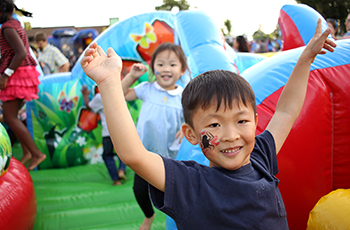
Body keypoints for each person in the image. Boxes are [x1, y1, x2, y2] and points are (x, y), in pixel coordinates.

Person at [81, 19, 336, 229]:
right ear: (190, 134)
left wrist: (306, 59)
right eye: (214, 125)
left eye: (242, 121)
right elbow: (133, 154)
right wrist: (109, 83)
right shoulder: (190, 184)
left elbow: (286, 112)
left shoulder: (260, 156)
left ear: (256, 122)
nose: (230, 135)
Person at [121, 42, 188, 230]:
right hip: (144, 153)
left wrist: (186, 127)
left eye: (172, 64)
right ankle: (148, 216)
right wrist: (131, 76)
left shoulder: (183, 96)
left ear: (182, 70)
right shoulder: (147, 88)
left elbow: (193, 118)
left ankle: (178, 222)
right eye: (160, 64)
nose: (166, 69)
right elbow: (120, 94)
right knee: (140, 190)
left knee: (171, 194)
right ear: (153, 68)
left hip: (170, 157)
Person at [0, 0, 47, 170]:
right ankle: (28, 152)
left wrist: (6, 74)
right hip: (23, 72)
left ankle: (36, 153)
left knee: (9, 117)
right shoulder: (14, 24)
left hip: (18, 74)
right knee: (13, 117)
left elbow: (20, 53)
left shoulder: (7, 27)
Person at [81, 85, 127, 186]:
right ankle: (121, 170)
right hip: (121, 131)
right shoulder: (119, 94)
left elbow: (89, 106)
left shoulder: (100, 97)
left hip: (108, 132)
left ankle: (116, 180)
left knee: (107, 155)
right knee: (123, 152)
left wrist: (85, 96)